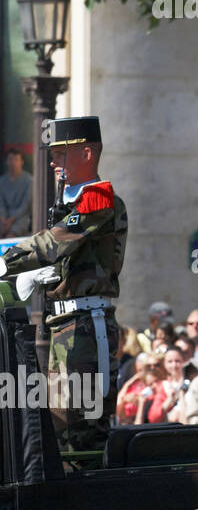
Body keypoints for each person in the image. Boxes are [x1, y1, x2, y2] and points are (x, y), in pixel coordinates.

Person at [0, 116, 127, 451]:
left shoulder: (99, 199)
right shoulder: (69, 203)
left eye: (61, 153)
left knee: (84, 428)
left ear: (87, 154)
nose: (54, 162)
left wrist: (5, 261)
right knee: (60, 428)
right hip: (64, 324)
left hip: (86, 325)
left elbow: (53, 244)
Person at [0, 146, 32, 237]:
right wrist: (3, 220)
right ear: (6, 161)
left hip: (21, 218)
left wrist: (10, 221)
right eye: (10, 159)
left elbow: (25, 205)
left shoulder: (29, 181)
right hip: (3, 219)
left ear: (22, 162)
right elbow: (1, 203)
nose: (13, 162)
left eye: (16, 159)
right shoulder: (2, 181)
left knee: (10, 236)